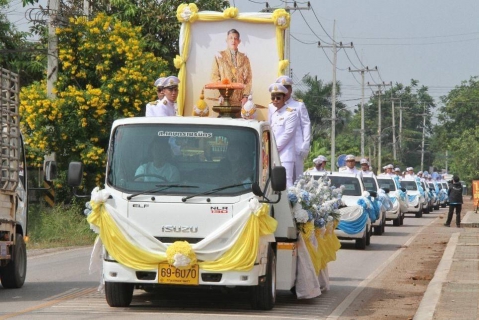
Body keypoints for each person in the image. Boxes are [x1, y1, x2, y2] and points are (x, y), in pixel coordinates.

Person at [275, 75, 311, 182]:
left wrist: (305, 144)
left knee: (297, 178)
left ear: (291, 90)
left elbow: (306, 124)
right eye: (282, 87)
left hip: (296, 147)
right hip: (279, 147)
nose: (285, 90)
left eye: (287, 87)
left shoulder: (298, 105)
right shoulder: (273, 106)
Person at [268, 83, 298, 187]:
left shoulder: (291, 113)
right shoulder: (274, 114)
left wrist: (274, 149)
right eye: (273, 97)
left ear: (285, 97)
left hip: (285, 155)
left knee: (287, 183)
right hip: (273, 154)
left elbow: (287, 134)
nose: (275, 100)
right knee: (273, 184)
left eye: (278, 97)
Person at [211, 29, 252, 105]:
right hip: (224, 99)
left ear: (239, 41)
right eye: (230, 38)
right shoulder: (219, 56)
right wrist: (219, 95)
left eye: (235, 38)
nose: (233, 40)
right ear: (226, 40)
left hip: (240, 100)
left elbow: (248, 79)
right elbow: (215, 76)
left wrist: (245, 96)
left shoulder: (244, 58)